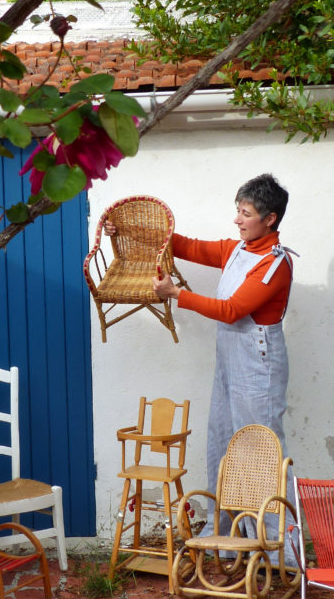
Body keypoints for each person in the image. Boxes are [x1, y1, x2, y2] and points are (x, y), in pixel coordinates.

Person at [106, 173, 297, 554]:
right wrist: (124, 230)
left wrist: (178, 294)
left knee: (262, 450)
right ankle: (226, 538)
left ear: (270, 218)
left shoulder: (275, 265)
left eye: (246, 213)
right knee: (222, 442)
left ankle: (282, 548)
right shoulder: (238, 249)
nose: (238, 219)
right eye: (238, 211)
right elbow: (185, 246)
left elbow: (231, 310)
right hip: (232, 359)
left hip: (258, 363)